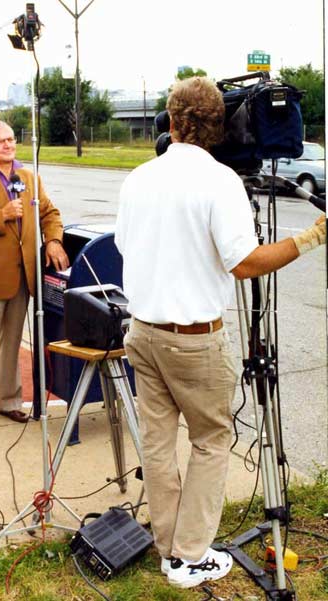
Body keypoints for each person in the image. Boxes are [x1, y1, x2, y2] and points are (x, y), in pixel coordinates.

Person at [114, 76, 325, 589]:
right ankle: (189, 555)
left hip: (142, 331)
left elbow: (126, 245)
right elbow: (247, 263)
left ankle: (169, 549)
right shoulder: (219, 182)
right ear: (220, 127)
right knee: (212, 439)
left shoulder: (139, 176)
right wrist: (313, 236)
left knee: (159, 445)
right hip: (191, 340)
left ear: (169, 119)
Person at [0, 120, 69, 442]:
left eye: (11, 139)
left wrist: (55, 240)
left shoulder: (29, 177)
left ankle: (8, 402)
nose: (8, 145)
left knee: (13, 345)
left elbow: (49, 213)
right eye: (0, 141)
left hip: (22, 277)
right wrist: (1, 214)